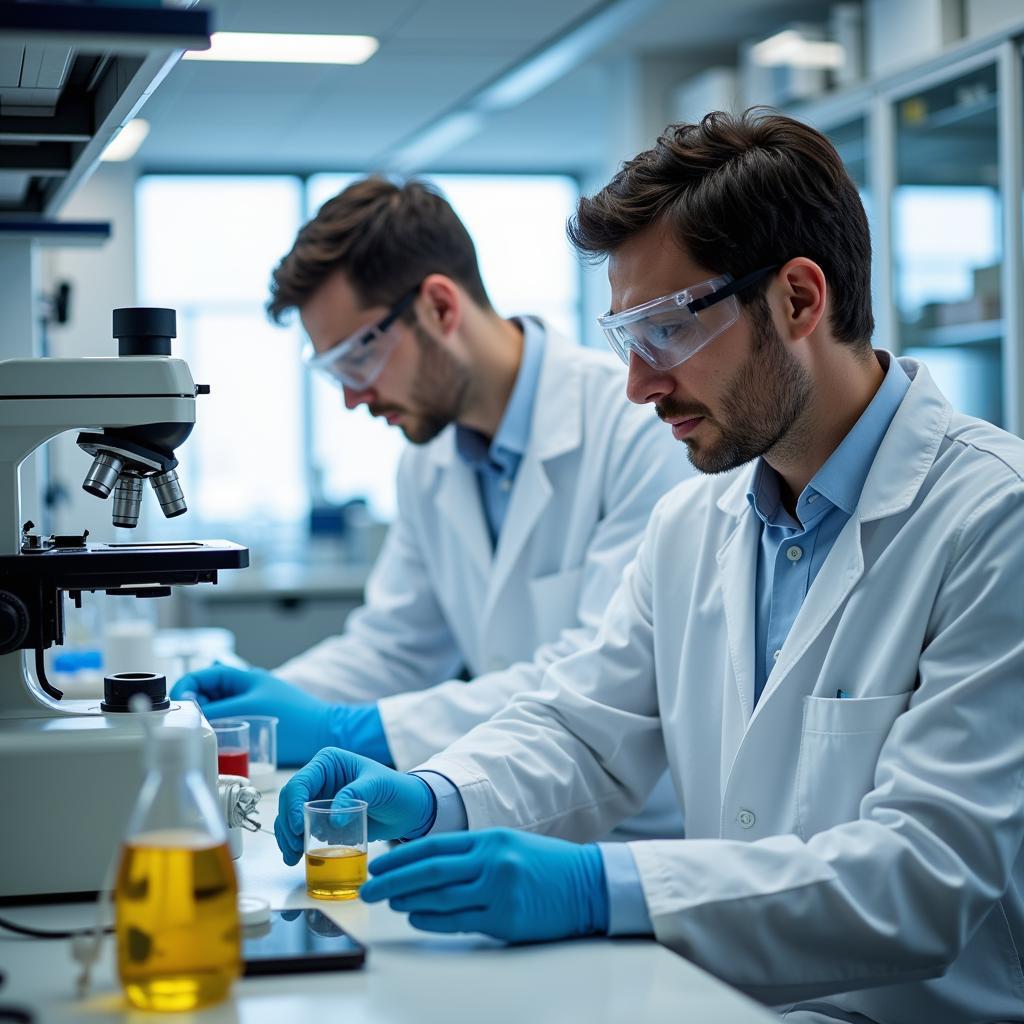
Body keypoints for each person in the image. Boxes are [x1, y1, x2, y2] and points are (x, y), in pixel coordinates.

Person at [275, 113, 1024, 1023]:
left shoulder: (994, 517)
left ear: (797, 299)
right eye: (627, 335)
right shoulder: (693, 523)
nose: (637, 383)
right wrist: (436, 796)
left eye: (666, 329)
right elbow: (584, 731)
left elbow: (924, 874)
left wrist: (603, 886)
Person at [172, 176, 690, 839]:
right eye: (333, 372)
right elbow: (395, 648)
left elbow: (592, 674)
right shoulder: (428, 461)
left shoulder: (636, 427)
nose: (353, 398)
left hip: (641, 833)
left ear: (441, 307)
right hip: (499, 811)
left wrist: (344, 729)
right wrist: (266, 704)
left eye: (358, 356)